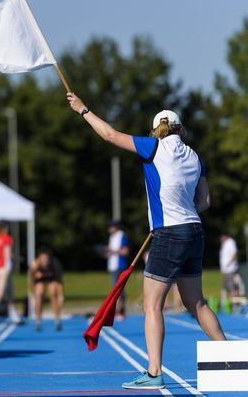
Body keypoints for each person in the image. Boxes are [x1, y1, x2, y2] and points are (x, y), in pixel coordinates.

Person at [67, 93, 226, 391]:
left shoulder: (152, 147)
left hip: (169, 233)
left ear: (157, 130)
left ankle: (154, 373)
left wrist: (83, 110)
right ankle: (232, 361)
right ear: (180, 129)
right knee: (197, 302)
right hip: (195, 230)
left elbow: (109, 134)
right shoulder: (194, 155)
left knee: (152, 304)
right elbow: (205, 201)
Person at [30, 248, 64, 331]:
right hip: (40, 281)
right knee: (39, 293)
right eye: (42, 259)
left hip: (52, 279)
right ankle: (38, 321)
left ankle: (57, 320)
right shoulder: (35, 265)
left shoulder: (55, 264)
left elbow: (59, 283)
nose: (44, 261)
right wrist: (33, 294)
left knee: (53, 293)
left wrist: (61, 297)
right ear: (39, 259)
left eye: (45, 259)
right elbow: (32, 282)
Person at [106, 220, 129, 318]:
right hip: (112, 265)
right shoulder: (111, 237)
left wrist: (112, 251)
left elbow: (125, 251)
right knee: (115, 289)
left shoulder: (121, 235)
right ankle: (118, 310)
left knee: (118, 289)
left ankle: (121, 310)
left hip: (119, 265)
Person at [219, 232, 241, 301]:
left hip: (231, 269)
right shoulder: (224, 243)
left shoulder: (231, 242)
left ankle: (234, 303)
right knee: (225, 286)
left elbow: (235, 253)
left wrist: (229, 263)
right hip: (225, 269)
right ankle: (225, 302)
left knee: (232, 286)